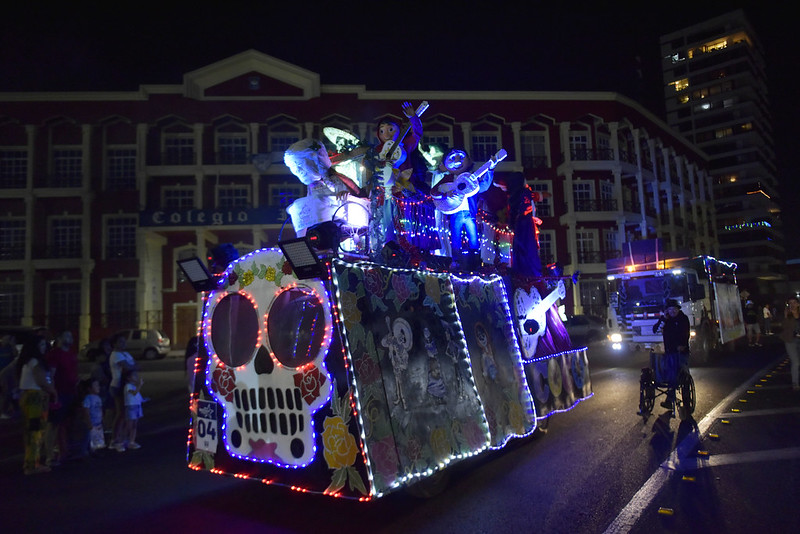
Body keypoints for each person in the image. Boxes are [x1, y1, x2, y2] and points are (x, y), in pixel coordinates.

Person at [17, 336, 58, 474]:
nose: (44, 347)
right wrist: (53, 391)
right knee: (36, 431)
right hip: (35, 398)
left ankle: (31, 462)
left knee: (31, 431)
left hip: (29, 397)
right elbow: (41, 381)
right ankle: (32, 465)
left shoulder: (28, 362)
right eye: (41, 345)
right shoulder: (35, 362)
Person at [45, 330, 79, 467]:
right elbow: (51, 375)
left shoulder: (71, 353)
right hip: (59, 392)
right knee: (54, 424)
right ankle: (50, 454)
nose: (70, 338)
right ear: (59, 338)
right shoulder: (54, 354)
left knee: (66, 423)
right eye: (67, 336)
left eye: (71, 336)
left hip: (71, 392)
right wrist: (53, 393)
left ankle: (64, 450)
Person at [652, 299, 690, 409]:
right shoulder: (666, 320)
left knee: (681, 373)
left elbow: (686, 334)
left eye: (674, 309)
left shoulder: (683, 319)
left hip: (681, 352)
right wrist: (664, 319)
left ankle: (684, 400)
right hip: (669, 351)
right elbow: (655, 330)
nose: (672, 311)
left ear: (678, 309)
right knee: (669, 373)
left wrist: (682, 345)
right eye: (670, 309)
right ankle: (669, 398)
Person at [108, 333, 136, 451]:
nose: (123, 343)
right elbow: (129, 367)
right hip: (118, 385)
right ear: (114, 343)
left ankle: (123, 438)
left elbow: (134, 366)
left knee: (126, 413)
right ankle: (115, 439)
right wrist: (133, 366)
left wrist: (133, 366)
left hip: (127, 385)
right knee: (121, 413)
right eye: (120, 341)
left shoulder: (125, 354)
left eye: (124, 341)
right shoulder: (115, 355)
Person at [120, 369, 144, 451]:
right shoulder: (128, 386)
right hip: (131, 407)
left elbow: (137, 396)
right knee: (129, 425)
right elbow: (134, 393)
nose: (136, 377)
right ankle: (122, 441)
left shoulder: (133, 386)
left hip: (136, 407)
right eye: (134, 375)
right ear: (128, 378)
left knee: (134, 425)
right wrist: (140, 385)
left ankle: (131, 441)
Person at [781, 296, 800, 392]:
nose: (792, 305)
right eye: (790, 303)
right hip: (790, 340)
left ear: (798, 304)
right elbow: (784, 326)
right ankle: (795, 383)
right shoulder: (787, 314)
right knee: (795, 362)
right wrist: (786, 316)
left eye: (794, 302)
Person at [83, 377, 106, 453]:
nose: (98, 387)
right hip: (92, 422)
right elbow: (86, 411)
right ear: (89, 388)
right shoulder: (88, 398)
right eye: (96, 385)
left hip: (98, 422)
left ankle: (96, 451)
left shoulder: (98, 398)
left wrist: (102, 419)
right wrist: (88, 422)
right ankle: (89, 452)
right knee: (91, 438)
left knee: (98, 438)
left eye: (98, 385)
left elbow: (100, 409)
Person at [0, 334, 20, 419]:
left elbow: (16, 355)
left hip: (9, 374)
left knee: (8, 392)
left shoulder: (10, 348)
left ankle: (6, 411)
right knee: (3, 393)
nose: (6, 341)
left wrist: (12, 345)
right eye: (5, 339)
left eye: (8, 339)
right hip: (2, 373)